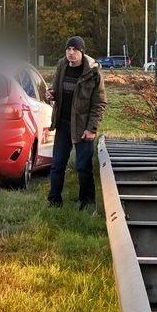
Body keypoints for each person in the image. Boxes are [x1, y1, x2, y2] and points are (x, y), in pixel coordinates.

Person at [45, 35, 107, 209]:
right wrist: (51, 94)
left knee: (83, 167)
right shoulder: (62, 65)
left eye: (75, 50)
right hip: (63, 124)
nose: (71, 53)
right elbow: (56, 90)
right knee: (57, 165)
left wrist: (91, 128)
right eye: (68, 49)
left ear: (82, 52)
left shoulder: (93, 72)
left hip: (82, 127)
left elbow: (100, 103)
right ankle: (54, 201)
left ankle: (87, 202)